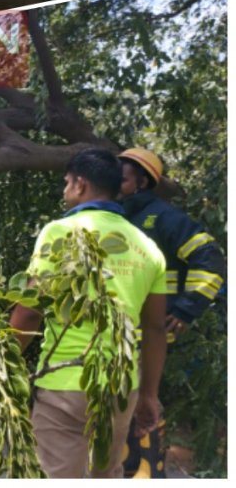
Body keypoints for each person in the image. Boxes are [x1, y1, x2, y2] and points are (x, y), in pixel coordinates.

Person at [9, 148, 168, 479]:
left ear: (80, 184)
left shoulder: (59, 232)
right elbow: (154, 329)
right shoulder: (148, 248)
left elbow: (30, 312)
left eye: (67, 182)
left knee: (53, 475)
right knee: (106, 475)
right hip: (121, 388)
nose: (65, 190)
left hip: (65, 386)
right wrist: (149, 396)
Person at [117, 147, 226, 477]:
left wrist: (186, 309)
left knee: (142, 411)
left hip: (148, 335)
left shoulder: (164, 218)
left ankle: (149, 474)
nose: (113, 182)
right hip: (120, 335)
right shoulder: (116, 216)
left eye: (121, 177)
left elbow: (211, 261)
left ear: (142, 182)